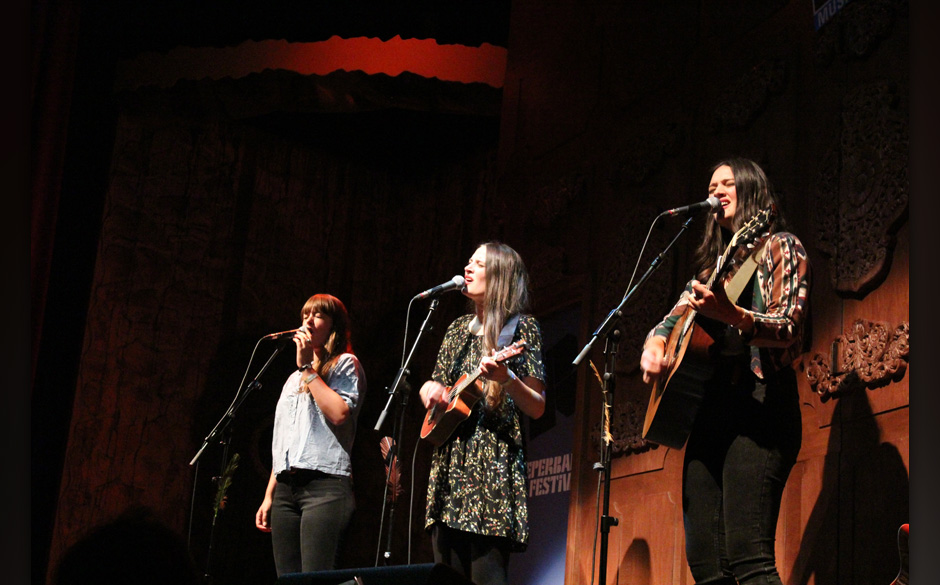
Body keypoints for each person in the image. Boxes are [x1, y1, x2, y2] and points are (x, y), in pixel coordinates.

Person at [640, 158, 810, 585]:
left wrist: (732, 315)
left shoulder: (780, 246)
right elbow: (669, 322)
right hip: (709, 414)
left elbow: (790, 326)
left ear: (751, 190)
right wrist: (655, 344)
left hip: (759, 407)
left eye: (728, 183)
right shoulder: (710, 272)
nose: (717, 191)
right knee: (707, 566)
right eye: (712, 185)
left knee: (749, 559)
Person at [419, 242, 547, 585]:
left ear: (501, 276)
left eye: (479, 264)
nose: (468, 268)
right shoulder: (457, 330)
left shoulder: (522, 329)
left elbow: (536, 405)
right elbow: (435, 384)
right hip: (450, 467)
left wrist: (506, 378)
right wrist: (429, 391)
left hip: (490, 468)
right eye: (468, 261)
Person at [255, 294, 366, 576]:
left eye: (317, 316)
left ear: (334, 327)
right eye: (305, 315)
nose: (308, 321)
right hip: (285, 490)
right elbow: (285, 441)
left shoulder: (345, 364)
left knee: (316, 577)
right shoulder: (293, 379)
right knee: (288, 579)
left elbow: (340, 413)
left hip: (324, 488)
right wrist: (269, 495)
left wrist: (307, 368)